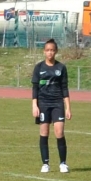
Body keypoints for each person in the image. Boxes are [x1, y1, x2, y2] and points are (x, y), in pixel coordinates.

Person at [31, 38, 72, 173]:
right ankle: (45, 164)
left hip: (57, 103)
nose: (50, 53)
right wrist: (34, 105)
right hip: (43, 103)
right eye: (48, 50)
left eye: (52, 50)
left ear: (56, 51)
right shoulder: (39, 68)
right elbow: (35, 88)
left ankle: (63, 163)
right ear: (44, 52)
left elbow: (65, 89)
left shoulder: (61, 68)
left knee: (59, 132)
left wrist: (68, 108)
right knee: (44, 133)